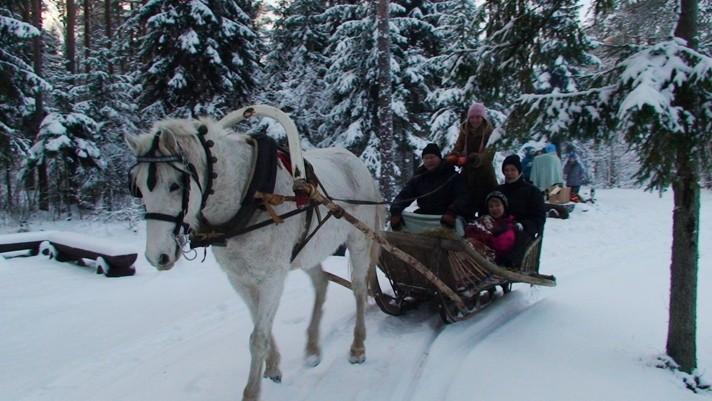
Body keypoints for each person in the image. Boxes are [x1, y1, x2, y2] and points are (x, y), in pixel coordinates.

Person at [389, 143, 464, 230]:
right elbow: (404, 195)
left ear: (439, 158)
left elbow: (462, 197)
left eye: (432, 157)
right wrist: (395, 212)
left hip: (446, 217)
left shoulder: (452, 176)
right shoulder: (418, 178)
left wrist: (452, 213)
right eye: (426, 158)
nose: (429, 161)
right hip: (424, 217)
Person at [447, 102, 498, 216]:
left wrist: (473, 158)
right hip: (467, 176)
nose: (475, 120)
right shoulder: (465, 131)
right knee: (465, 206)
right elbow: (458, 146)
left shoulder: (490, 133)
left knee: (486, 209)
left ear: (483, 118)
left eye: (478, 117)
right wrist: (454, 156)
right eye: (472, 117)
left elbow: (488, 154)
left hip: (485, 176)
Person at [495, 155, 546, 267]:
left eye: (513, 170)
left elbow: (539, 217)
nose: (509, 173)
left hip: (522, 230)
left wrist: (522, 225)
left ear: (519, 171)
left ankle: (508, 265)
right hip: (501, 225)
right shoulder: (499, 190)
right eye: (506, 170)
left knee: (514, 237)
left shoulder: (532, 191)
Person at [464, 191, 517, 265]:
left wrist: (486, 239)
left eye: (497, 205)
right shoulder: (484, 219)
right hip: (471, 250)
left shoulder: (508, 226)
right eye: (491, 206)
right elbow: (470, 230)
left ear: (504, 207)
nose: (494, 209)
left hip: (492, 259)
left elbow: (501, 245)